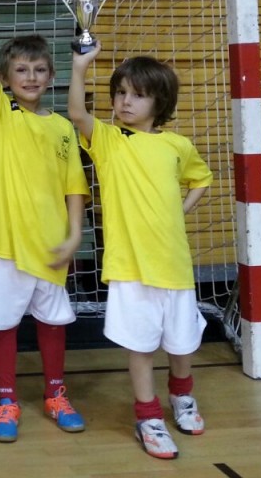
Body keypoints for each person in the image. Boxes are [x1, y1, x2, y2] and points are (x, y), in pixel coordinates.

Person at [67, 41, 212, 460]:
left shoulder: (177, 146)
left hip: (174, 265)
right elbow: (77, 113)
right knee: (142, 347)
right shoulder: (109, 140)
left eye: (138, 94)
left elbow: (201, 180)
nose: (125, 102)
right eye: (120, 93)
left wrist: (176, 212)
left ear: (160, 102)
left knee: (182, 344)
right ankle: (148, 416)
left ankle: (182, 398)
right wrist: (79, 68)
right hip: (130, 268)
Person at [0, 0, 90, 444]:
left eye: (39, 70)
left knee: (54, 323)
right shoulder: (1, 116)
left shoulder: (61, 127)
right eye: (21, 70)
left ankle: (56, 393)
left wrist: (75, 235)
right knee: (4, 324)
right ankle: (6, 398)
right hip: (6, 244)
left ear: (51, 76)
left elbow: (75, 187)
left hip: (52, 246)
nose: (31, 77)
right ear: (5, 78)